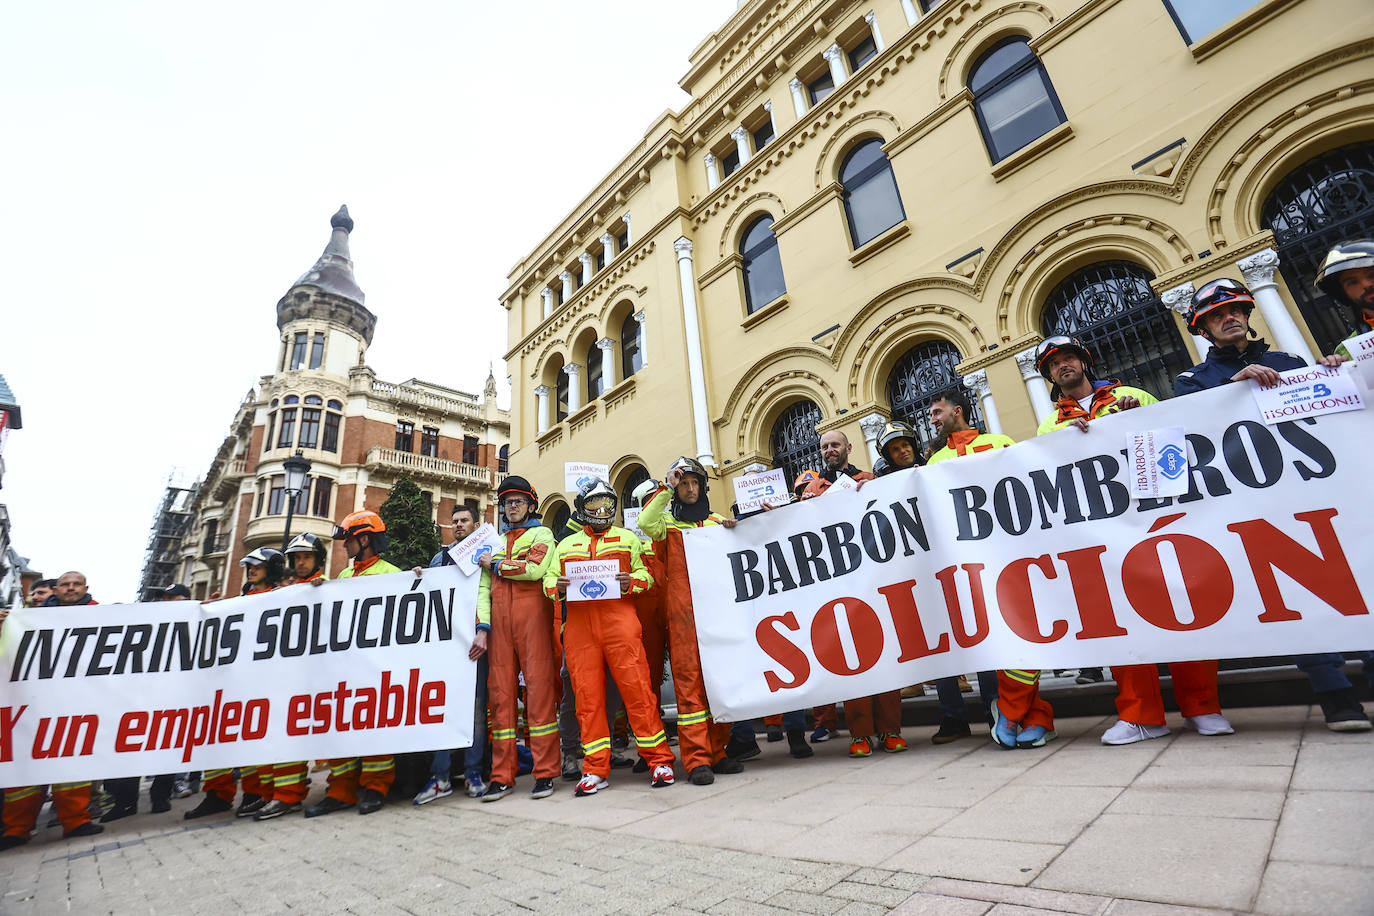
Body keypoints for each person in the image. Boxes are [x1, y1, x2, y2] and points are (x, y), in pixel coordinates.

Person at [1174, 276, 1368, 731]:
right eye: (1217, 316)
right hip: (1256, 505)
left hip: (1318, 492)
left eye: (1236, 311)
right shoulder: (1192, 381)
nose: (1229, 318)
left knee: (1357, 579)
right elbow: (1185, 430)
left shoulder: (1289, 361)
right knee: (1296, 595)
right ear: (1203, 331)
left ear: (1247, 315)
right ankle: (1335, 693)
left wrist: (1336, 372)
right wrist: (1230, 391)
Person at [1033, 335, 1235, 744]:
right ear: (1050, 376)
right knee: (1122, 622)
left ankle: (1203, 707)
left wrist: (1137, 417)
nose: (1063, 366)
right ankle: (1142, 715)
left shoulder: (1131, 394)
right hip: (1102, 532)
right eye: (1054, 364)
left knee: (1185, 609)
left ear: (1084, 362)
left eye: (1069, 358)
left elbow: (1176, 445)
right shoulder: (1049, 424)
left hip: (1157, 518)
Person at [926, 390, 1058, 749]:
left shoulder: (999, 441)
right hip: (969, 565)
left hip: (1011, 555)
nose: (933, 419)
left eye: (937, 412)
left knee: (1023, 638)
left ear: (958, 411)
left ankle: (1019, 714)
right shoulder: (934, 460)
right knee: (997, 640)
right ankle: (1029, 716)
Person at [545, 480, 677, 796]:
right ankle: (594, 768)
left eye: (607, 503)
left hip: (620, 625)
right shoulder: (565, 545)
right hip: (579, 629)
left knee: (639, 693)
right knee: (587, 701)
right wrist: (558, 587)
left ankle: (660, 760)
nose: (602, 510)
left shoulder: (628, 538)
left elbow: (646, 579)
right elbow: (548, 580)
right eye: (594, 504)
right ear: (582, 509)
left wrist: (629, 581)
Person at [799, 431, 907, 758]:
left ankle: (890, 729)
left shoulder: (870, 480)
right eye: (824, 447)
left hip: (873, 581)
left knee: (885, 656)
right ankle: (860, 733)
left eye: (835, 445)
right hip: (838, 588)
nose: (829, 450)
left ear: (848, 448)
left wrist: (871, 495)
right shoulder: (812, 491)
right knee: (853, 661)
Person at [638, 457, 744, 786]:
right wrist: (666, 486)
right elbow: (645, 521)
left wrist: (732, 529)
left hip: (715, 613)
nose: (690, 488)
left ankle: (718, 751)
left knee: (717, 683)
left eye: (694, 483)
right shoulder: (667, 524)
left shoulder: (715, 521)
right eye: (684, 483)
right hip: (683, 617)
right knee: (689, 686)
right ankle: (697, 759)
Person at [304, 511, 402, 817]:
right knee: (340, 731)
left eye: (348, 539)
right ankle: (341, 790)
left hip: (375, 671)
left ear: (364, 539)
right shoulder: (343, 578)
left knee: (374, 730)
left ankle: (375, 787)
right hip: (344, 672)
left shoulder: (392, 573)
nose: (344, 546)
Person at [2, 572, 105, 850]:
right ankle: (17, 828)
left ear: (86, 587)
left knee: (71, 765)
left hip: (75, 704)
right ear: (55, 590)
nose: (71, 588)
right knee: (25, 767)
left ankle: (75, 821)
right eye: (65, 585)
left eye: (76, 584)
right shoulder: (27, 618)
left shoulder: (102, 616)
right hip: (32, 705)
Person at [476, 477, 560, 802]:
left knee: (538, 696)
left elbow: (535, 569)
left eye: (518, 501)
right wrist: (483, 625)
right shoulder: (494, 541)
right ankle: (502, 776)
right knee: (500, 701)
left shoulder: (542, 534)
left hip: (533, 622)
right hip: (499, 626)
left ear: (530, 505)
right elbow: (483, 589)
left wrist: (497, 564)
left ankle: (545, 773)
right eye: (507, 502)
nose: (512, 506)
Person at [185, 549, 285, 819]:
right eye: (249, 566)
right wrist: (208, 610)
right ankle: (217, 794)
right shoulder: (240, 600)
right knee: (221, 739)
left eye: (257, 566)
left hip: (267, 683)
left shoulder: (283, 597)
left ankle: (256, 793)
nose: (251, 570)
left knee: (256, 742)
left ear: (272, 569)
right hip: (234, 683)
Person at [411, 504, 492, 802]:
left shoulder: (486, 553)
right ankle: (440, 776)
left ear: (475, 524)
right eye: (455, 521)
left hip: (474, 642)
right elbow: (429, 593)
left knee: (475, 711)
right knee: (442, 709)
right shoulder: (439, 557)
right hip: (445, 646)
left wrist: (483, 629)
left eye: (464, 521)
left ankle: (473, 773)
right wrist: (421, 575)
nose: (458, 525)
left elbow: (486, 592)